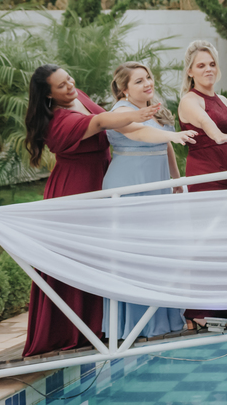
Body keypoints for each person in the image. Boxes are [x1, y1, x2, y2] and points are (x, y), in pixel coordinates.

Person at [21, 64, 161, 357]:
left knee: (105, 254)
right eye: (61, 85)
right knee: (79, 257)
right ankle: (73, 329)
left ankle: (105, 323)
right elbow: (99, 123)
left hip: (101, 177)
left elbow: (103, 118)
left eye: (69, 78)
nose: (70, 85)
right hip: (76, 189)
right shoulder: (57, 121)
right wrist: (135, 114)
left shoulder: (78, 96)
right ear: (49, 95)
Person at [101, 62, 196, 340]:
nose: (147, 84)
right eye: (139, 81)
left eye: (148, 78)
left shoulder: (154, 108)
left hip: (157, 184)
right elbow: (141, 133)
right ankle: (135, 324)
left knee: (159, 253)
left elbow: (164, 146)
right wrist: (172, 135)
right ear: (124, 89)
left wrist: (175, 178)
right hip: (130, 186)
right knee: (136, 255)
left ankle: (163, 319)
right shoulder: (120, 112)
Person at [178, 40, 227, 192]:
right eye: (201, 66)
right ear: (190, 71)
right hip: (207, 174)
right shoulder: (189, 100)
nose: (208, 69)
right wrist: (217, 135)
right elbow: (204, 120)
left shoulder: (223, 100)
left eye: (212, 64)